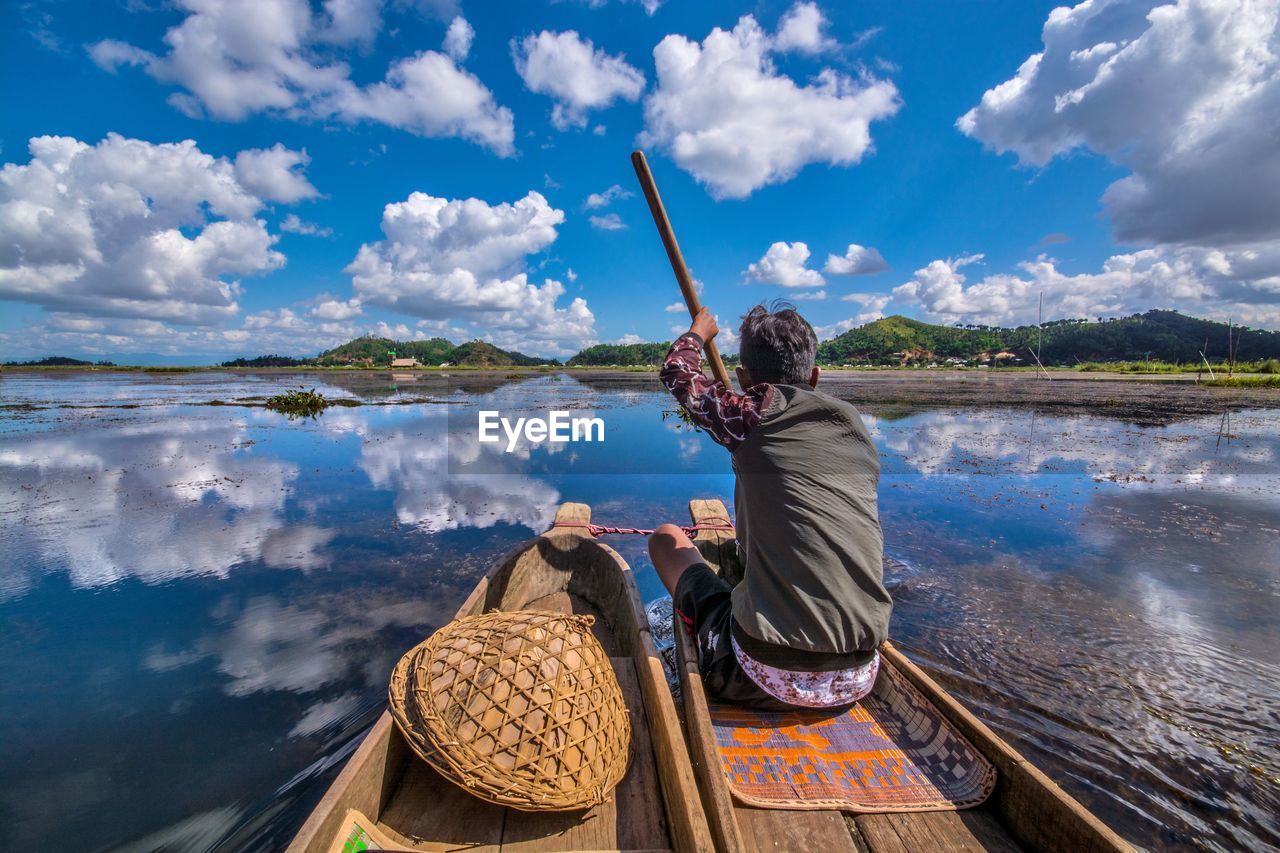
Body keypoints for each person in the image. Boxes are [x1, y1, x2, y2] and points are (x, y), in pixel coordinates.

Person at [650, 302, 891, 711]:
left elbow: (678, 371)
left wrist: (699, 331)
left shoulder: (750, 413)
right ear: (815, 377)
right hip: (861, 674)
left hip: (761, 674)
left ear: (744, 380)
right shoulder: (854, 427)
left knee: (665, 539)